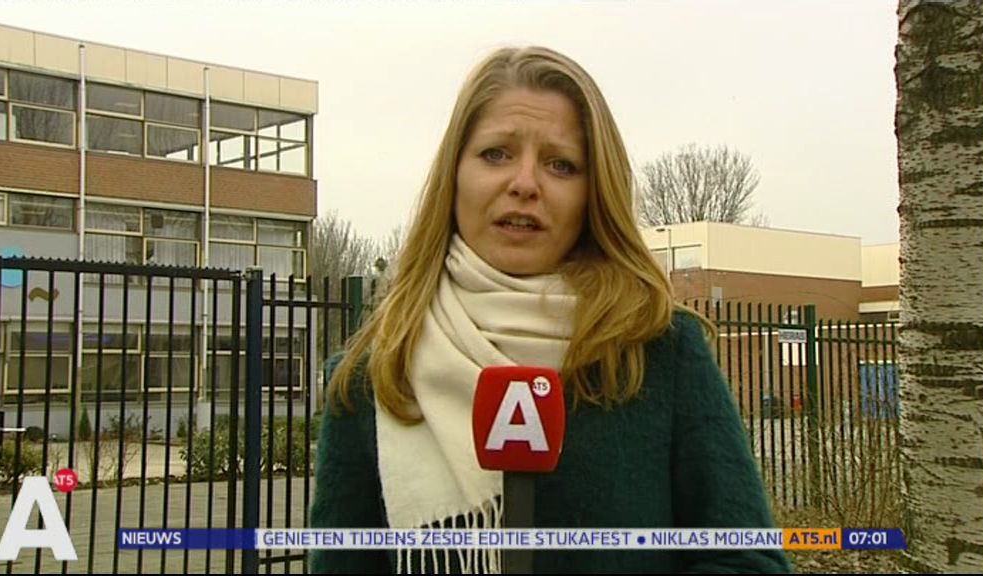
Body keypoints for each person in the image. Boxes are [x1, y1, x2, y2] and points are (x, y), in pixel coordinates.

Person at [310, 46, 790, 574]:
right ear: (454, 175)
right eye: (496, 153)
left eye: (561, 164)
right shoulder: (373, 377)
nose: (524, 183)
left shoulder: (658, 351)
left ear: (593, 192)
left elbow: (748, 559)